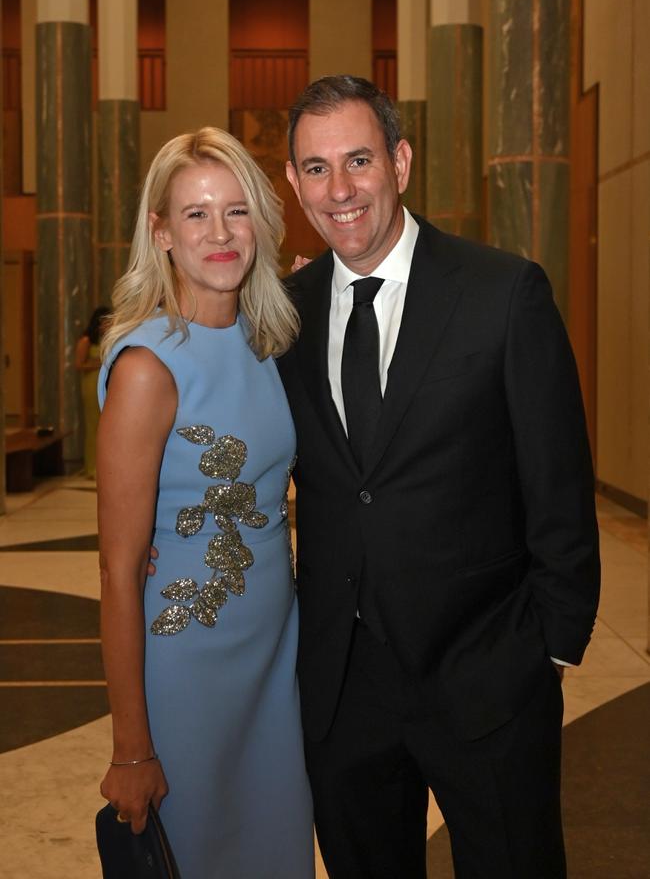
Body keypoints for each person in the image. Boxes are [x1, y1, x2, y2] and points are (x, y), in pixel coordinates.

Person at [277, 76, 600, 879]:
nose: (340, 189)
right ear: (292, 184)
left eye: (358, 160)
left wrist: (549, 649)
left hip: (487, 679)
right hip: (344, 689)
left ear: (401, 160)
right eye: (315, 169)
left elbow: (559, 483)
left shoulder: (501, 293)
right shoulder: (282, 314)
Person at [97, 127, 314, 879]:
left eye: (236, 211)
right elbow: (119, 572)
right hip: (187, 667)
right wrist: (132, 747)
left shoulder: (269, 342)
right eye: (194, 214)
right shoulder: (148, 368)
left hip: (272, 663)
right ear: (159, 232)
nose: (219, 234)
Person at [75, 306, 110, 479]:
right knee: (93, 425)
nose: (106, 325)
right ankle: (91, 468)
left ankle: (104, 466)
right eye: (104, 322)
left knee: (105, 425)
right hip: (91, 383)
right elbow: (79, 365)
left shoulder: (109, 339)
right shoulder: (86, 341)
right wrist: (99, 363)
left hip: (106, 383)